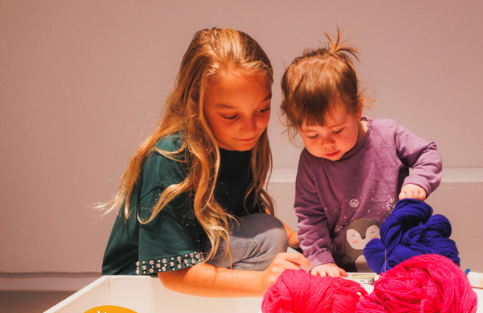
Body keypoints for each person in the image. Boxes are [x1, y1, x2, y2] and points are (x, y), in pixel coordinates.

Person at [101, 28, 310, 297]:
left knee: (272, 232)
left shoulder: (238, 141)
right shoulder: (170, 157)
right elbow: (174, 273)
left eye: (262, 110)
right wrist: (261, 283)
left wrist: (299, 238)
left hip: (198, 255)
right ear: (195, 104)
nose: (251, 127)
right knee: (270, 237)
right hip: (139, 286)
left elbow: (246, 216)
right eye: (231, 116)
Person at [280, 32, 442, 277]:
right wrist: (321, 260)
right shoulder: (310, 162)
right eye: (312, 135)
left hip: (399, 260)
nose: (327, 143)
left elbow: (428, 153)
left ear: (357, 109)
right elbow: (309, 217)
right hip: (342, 269)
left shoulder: (388, 135)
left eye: (337, 130)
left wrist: (418, 181)